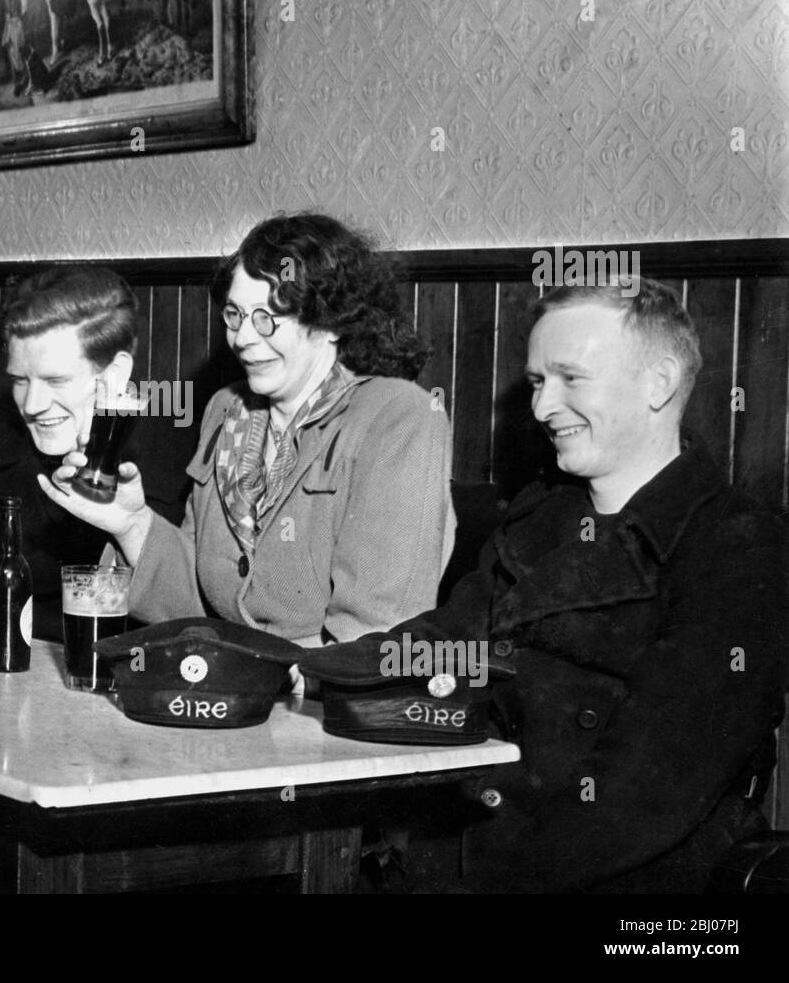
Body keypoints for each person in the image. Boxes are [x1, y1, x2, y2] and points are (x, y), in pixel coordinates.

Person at [302, 279, 788, 893]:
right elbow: (445, 641)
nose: (540, 409)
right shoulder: (541, 517)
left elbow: (647, 789)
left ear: (659, 382)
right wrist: (312, 671)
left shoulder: (738, 543)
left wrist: (466, 870)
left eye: (570, 379)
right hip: (472, 839)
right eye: (536, 383)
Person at [39, 213, 456, 647]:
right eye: (235, 315)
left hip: (328, 699)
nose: (243, 338)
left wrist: (300, 677)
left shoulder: (400, 417)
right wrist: (130, 523)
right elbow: (197, 604)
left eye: (268, 316)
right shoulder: (227, 411)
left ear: (331, 322)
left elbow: (379, 624)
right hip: (236, 685)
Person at [0, 267, 195, 639]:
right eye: (19, 380)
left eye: (56, 380)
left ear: (115, 374)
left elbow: (169, 617)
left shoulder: (169, 458)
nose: (32, 404)